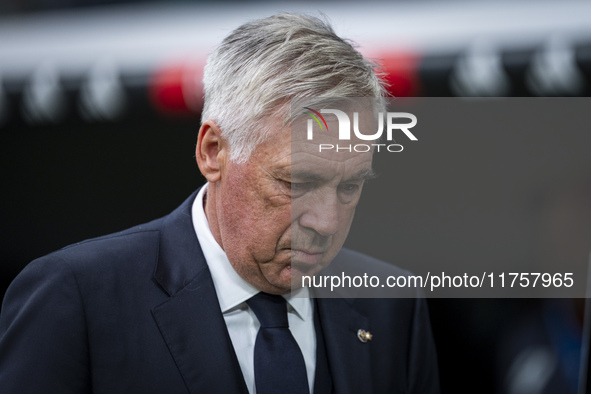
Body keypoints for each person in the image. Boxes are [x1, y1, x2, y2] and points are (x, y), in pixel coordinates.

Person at [0, 13, 439, 393]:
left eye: (350, 187)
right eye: (295, 182)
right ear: (213, 151)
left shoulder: (391, 303)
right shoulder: (76, 298)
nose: (326, 222)